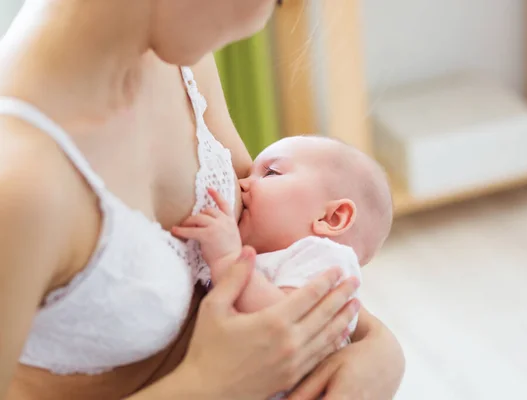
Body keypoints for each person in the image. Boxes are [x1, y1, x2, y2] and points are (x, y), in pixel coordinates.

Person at [0, 1, 405, 399]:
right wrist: (207, 383)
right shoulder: (19, 177)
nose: (259, 22)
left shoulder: (179, 59)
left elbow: (291, 255)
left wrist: (380, 347)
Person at [174, 135, 394, 399]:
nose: (242, 184)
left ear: (331, 217)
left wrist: (227, 260)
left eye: (270, 173)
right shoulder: (270, 256)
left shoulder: (326, 258)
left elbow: (287, 325)